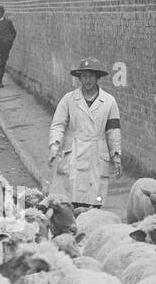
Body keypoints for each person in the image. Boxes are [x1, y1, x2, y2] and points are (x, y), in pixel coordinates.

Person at [47, 59, 122, 211]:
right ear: (79, 78)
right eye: (85, 76)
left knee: (95, 201)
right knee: (71, 199)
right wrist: (55, 146)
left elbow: (113, 130)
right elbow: (58, 124)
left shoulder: (108, 101)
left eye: (91, 76)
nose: (88, 80)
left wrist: (116, 156)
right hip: (74, 152)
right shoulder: (69, 99)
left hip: (97, 154)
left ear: (97, 78)